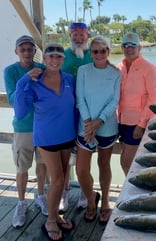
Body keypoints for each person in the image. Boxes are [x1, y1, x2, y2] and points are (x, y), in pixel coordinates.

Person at [14, 43, 76, 241]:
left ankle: (56, 216)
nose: (55, 60)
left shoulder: (69, 79)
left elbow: (74, 107)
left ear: (63, 60)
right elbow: (21, 112)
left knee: (63, 176)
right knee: (57, 179)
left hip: (67, 136)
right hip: (46, 138)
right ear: (44, 59)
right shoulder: (34, 81)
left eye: (59, 57)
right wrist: (21, 82)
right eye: (51, 57)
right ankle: (50, 220)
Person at [3, 35, 48, 228]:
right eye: (23, 49)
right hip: (23, 128)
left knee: (42, 164)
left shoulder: (43, 68)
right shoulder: (10, 71)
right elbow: (13, 98)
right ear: (16, 51)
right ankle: (21, 203)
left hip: (44, 126)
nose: (27, 52)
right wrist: (26, 79)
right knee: (22, 168)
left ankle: (41, 196)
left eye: (30, 49)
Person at [76, 35, 121, 225]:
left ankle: (105, 201)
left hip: (107, 126)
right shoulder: (83, 70)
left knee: (104, 164)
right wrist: (89, 123)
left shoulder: (116, 73)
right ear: (91, 53)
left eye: (103, 50)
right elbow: (80, 98)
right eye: (95, 51)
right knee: (81, 170)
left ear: (108, 52)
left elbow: (114, 101)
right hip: (85, 127)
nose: (100, 54)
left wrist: (98, 122)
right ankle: (90, 197)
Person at [117, 32, 156, 175]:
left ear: (140, 47)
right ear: (122, 47)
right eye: (125, 45)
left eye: (133, 45)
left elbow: (155, 99)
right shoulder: (119, 67)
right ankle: (134, 193)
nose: (129, 48)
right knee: (129, 163)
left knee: (127, 163)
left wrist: (141, 124)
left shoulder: (149, 69)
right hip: (121, 121)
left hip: (137, 124)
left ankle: (132, 194)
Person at [60, 22, 93, 212]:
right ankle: (63, 193)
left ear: (88, 36)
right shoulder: (62, 55)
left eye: (82, 34)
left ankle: (84, 190)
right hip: (67, 114)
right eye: (74, 34)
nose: (78, 38)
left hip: (88, 114)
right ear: (70, 36)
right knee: (64, 155)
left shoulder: (94, 54)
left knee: (84, 157)